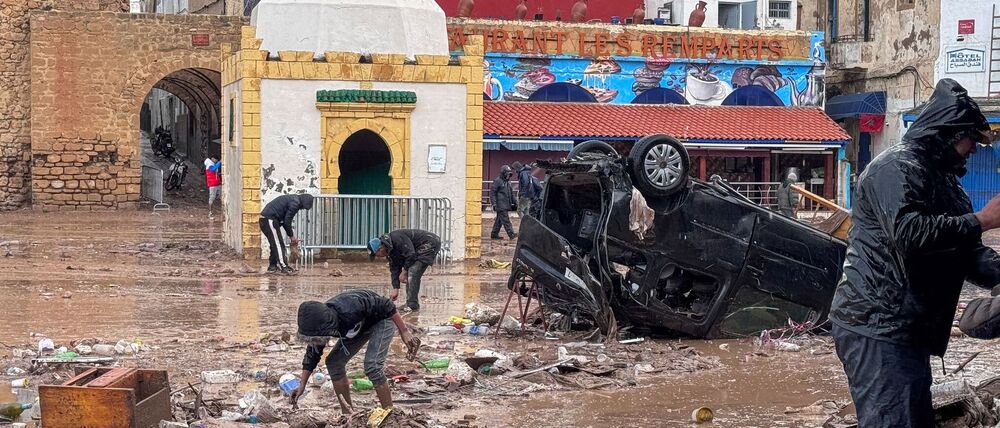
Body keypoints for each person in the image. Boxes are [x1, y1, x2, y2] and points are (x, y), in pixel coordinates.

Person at [829, 79, 1000, 428]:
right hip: (876, 324)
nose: (975, 150)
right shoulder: (894, 169)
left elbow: (968, 254)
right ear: (950, 134)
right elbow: (910, 234)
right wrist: (982, 220)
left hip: (909, 330)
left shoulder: (947, 183)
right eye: (972, 140)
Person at [290, 289, 420, 414]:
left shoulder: (349, 308)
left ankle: (389, 413)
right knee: (333, 363)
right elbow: (312, 354)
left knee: (372, 366)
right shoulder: (319, 328)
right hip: (356, 328)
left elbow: (387, 305)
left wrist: (404, 331)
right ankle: (348, 414)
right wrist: (302, 385)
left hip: (381, 319)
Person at [367, 229, 441, 312]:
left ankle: (412, 304)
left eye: (376, 255)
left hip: (429, 242)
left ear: (380, 249)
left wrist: (404, 272)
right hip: (418, 247)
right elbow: (394, 269)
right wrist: (396, 289)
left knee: (413, 271)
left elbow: (411, 254)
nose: (378, 257)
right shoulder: (390, 249)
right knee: (411, 271)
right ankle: (411, 303)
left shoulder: (396, 238)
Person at [259, 193, 314, 273]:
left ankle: (272, 266)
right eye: (304, 207)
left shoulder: (294, 199)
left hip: (267, 220)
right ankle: (284, 267)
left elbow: (285, 221)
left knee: (275, 244)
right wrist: (291, 236)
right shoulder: (295, 203)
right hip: (268, 220)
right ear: (304, 202)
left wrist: (290, 235)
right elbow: (287, 222)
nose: (302, 209)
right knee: (278, 244)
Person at [490, 165, 517, 240]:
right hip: (500, 205)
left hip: (505, 204)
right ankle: (511, 234)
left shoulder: (508, 183)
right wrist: (494, 203)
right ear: (503, 173)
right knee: (506, 220)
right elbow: (493, 193)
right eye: (507, 174)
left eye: (509, 174)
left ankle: (494, 234)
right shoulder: (498, 181)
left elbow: (511, 193)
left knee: (499, 220)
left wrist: (515, 202)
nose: (508, 176)